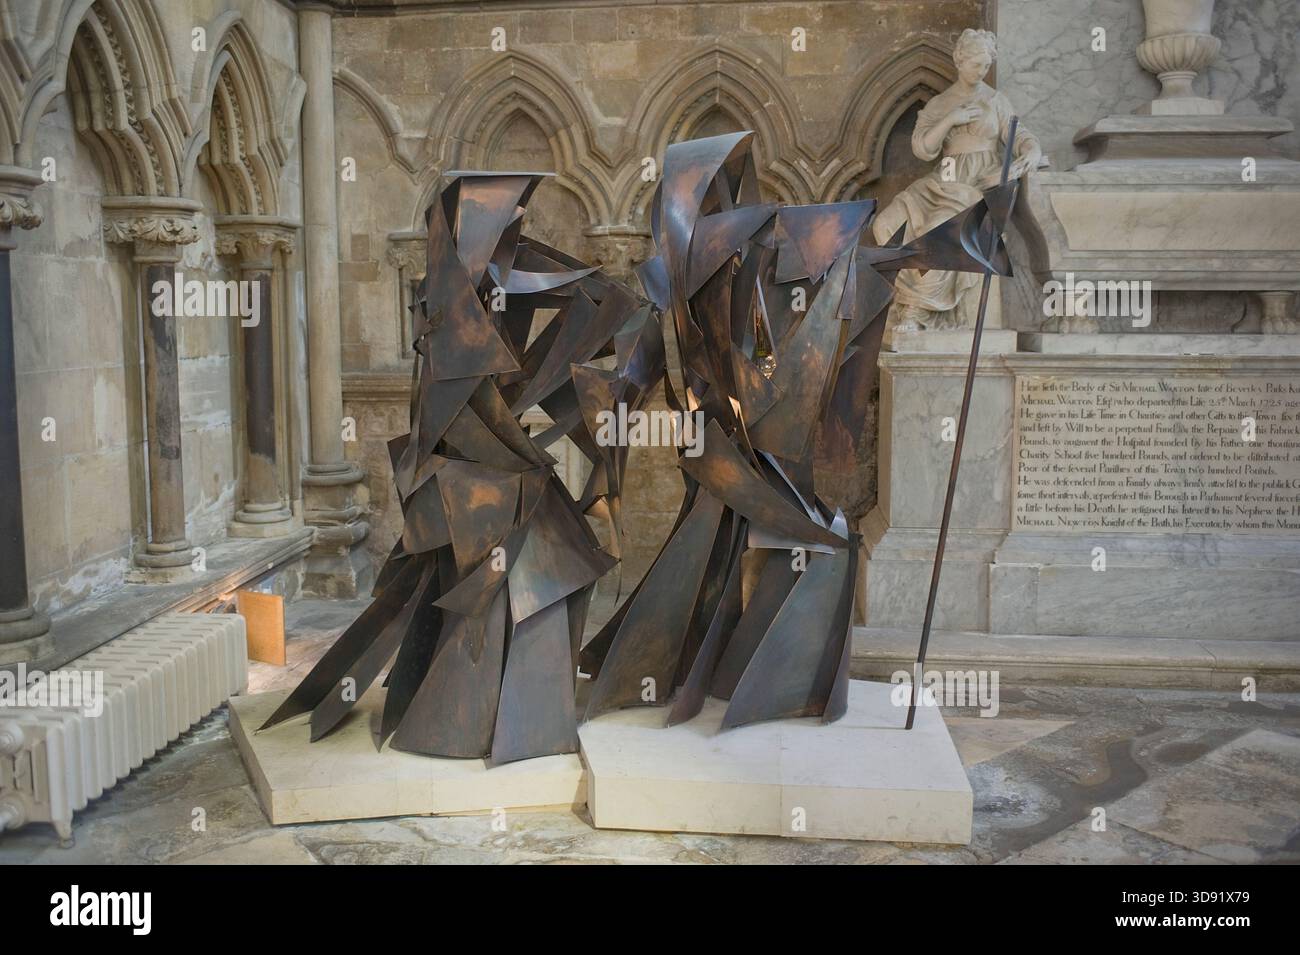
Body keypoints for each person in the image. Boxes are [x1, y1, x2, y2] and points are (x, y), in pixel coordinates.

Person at [872, 28, 1042, 330]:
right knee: (885, 224)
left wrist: (1028, 155)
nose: (981, 71)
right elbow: (923, 149)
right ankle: (915, 294)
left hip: (976, 185)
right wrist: (951, 119)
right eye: (976, 64)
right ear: (958, 60)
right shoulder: (939, 104)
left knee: (934, 230)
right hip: (943, 179)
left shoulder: (996, 101)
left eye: (986, 65)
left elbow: (1021, 137)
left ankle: (917, 309)